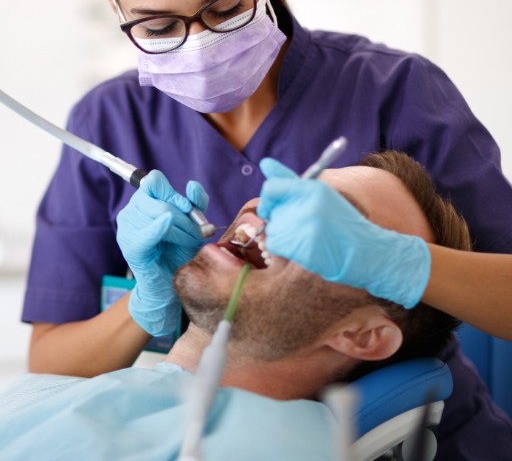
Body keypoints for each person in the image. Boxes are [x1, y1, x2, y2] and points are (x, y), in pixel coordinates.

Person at [20, 0, 512, 460]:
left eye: (226, 7)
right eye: (161, 25)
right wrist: (146, 306)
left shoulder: (394, 90)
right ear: (116, 6)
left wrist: (398, 260)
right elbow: (50, 361)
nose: (200, 43)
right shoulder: (108, 122)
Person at [2, 152, 471, 460]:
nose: (263, 205)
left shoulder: (271, 447)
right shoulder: (66, 393)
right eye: (292, 189)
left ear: (362, 334)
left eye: (331, 219)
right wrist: (143, 302)